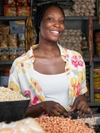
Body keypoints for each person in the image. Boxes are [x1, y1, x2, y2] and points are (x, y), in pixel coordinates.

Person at [8, 2, 93, 118]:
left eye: (61, 21)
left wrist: (82, 101)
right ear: (39, 24)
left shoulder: (75, 59)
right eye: (51, 19)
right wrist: (42, 106)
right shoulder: (20, 65)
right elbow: (12, 112)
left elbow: (80, 95)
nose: (57, 25)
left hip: (69, 128)